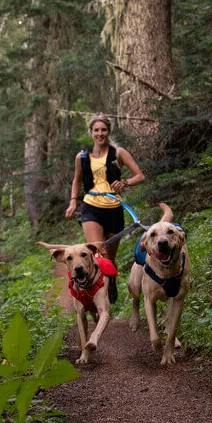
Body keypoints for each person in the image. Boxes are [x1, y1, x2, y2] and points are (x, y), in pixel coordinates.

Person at [65, 114, 145, 303]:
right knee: (98, 252)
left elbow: (140, 176)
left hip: (114, 208)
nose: (100, 133)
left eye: (103, 130)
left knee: (108, 258)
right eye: (96, 130)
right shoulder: (82, 156)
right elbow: (76, 180)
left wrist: (125, 182)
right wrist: (73, 201)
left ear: (108, 132)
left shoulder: (118, 153)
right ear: (91, 132)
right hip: (91, 207)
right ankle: (94, 296)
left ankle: (112, 280)